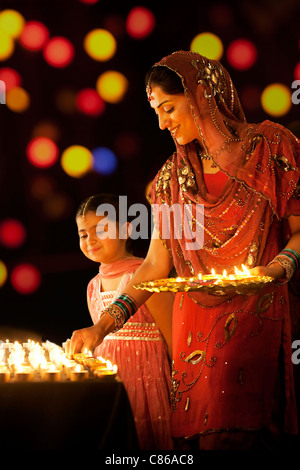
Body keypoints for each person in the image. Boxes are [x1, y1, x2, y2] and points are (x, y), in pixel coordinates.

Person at [67, 51, 300, 450]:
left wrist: (276, 270)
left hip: (257, 312)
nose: (162, 123)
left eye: (169, 107)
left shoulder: (270, 147)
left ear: (202, 95)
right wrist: (99, 329)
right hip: (195, 326)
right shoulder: (172, 180)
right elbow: (156, 266)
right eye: (157, 111)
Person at [72, 193, 174, 450]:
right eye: (84, 234)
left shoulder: (145, 278)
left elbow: (174, 336)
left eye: (101, 230)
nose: (91, 240)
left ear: (127, 229)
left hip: (150, 382)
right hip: (114, 386)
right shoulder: (92, 287)